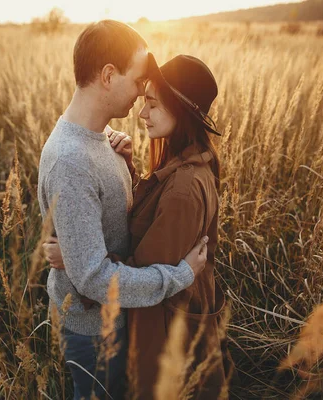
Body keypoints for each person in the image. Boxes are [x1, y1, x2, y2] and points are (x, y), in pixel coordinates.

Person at [45, 52, 235, 399]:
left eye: (152, 104)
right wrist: (129, 167)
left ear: (181, 113)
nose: (142, 112)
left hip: (162, 334)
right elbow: (150, 224)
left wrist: (74, 259)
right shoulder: (185, 165)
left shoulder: (184, 188)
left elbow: (143, 270)